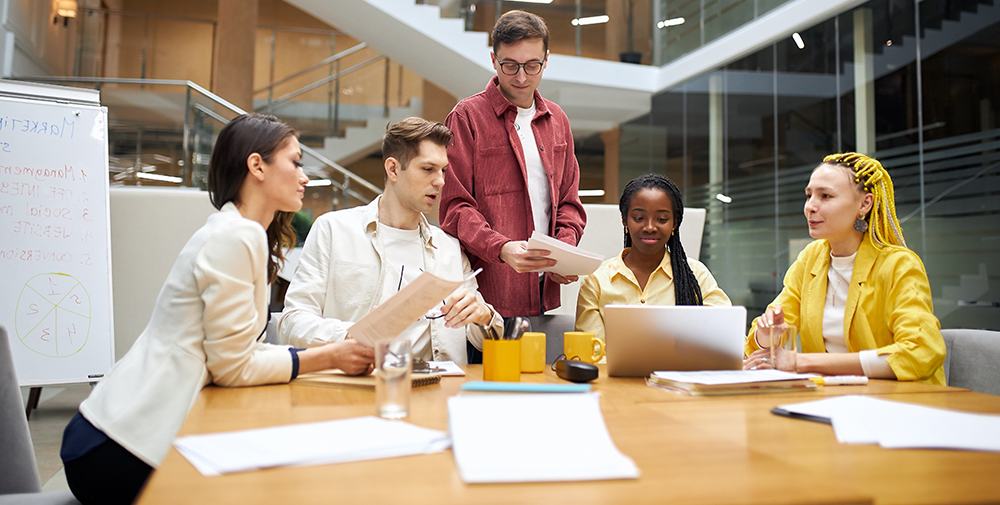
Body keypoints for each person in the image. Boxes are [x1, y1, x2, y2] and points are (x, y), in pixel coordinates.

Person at [60, 114, 373, 505]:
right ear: (256, 165)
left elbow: (234, 353)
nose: (304, 177)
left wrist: (325, 355)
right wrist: (330, 357)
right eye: (295, 162)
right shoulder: (237, 236)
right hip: (118, 446)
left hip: (112, 432)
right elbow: (233, 366)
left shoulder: (237, 231)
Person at [278, 117, 501, 362]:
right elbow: (291, 323)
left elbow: (489, 341)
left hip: (437, 391)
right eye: (428, 169)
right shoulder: (333, 230)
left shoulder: (449, 248)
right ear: (393, 169)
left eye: (443, 170)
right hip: (360, 386)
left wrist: (484, 316)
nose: (441, 181)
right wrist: (353, 336)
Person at [439, 10, 587, 328]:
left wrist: (564, 252)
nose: (521, 77)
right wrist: (502, 248)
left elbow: (569, 202)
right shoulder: (466, 117)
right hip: (485, 298)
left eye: (532, 66)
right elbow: (454, 208)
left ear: (546, 60)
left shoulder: (558, 120)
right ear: (494, 59)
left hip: (543, 294)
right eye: (510, 65)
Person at [744, 153, 946, 385]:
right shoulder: (810, 258)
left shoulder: (898, 264)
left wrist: (802, 362)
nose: (810, 206)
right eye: (809, 196)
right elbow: (759, 344)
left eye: (825, 196)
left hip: (900, 403)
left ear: (864, 204)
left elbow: (920, 352)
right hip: (833, 397)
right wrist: (767, 334)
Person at [576, 174, 730, 341]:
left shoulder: (697, 276)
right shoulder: (596, 281)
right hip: (615, 369)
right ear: (624, 221)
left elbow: (728, 337)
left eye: (661, 219)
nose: (650, 227)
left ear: (675, 223)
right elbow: (590, 354)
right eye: (639, 218)